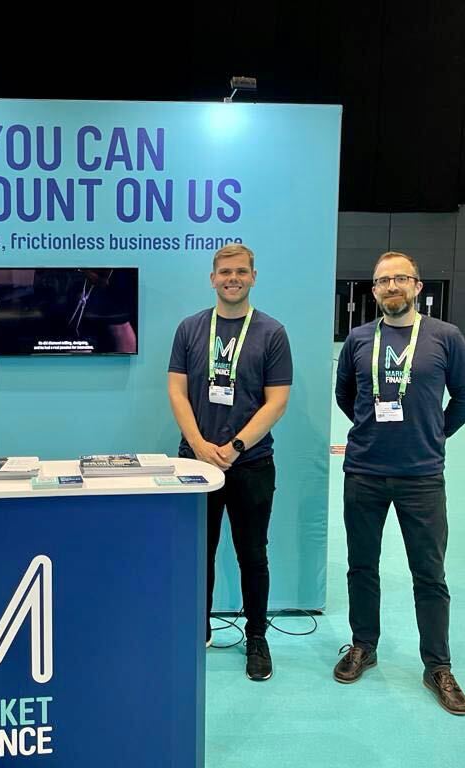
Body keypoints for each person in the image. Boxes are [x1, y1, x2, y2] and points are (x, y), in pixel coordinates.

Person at [334, 251, 465, 716]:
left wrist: (433, 434)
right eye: (382, 281)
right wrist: (372, 431)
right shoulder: (358, 339)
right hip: (364, 471)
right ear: (374, 290)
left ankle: (438, 666)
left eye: (400, 278)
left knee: (429, 574)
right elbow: (345, 395)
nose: (391, 286)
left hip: (422, 476)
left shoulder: (446, 337)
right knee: (361, 566)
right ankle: (363, 645)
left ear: (417, 286)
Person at [167, 243, 292, 681]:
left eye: (240, 271)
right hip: (195, 464)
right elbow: (177, 391)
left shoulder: (272, 332)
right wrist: (199, 445)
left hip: (251, 463)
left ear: (253, 277)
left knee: (252, 555)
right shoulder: (190, 329)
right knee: (197, 554)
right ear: (212, 278)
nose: (232, 278)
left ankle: (256, 637)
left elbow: (277, 401)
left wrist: (235, 446)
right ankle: (195, 631)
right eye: (224, 272)